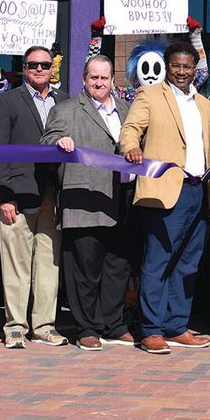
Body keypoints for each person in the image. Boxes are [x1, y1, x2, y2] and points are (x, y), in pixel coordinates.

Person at [120, 41, 210, 354]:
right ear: (167, 66)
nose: (181, 71)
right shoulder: (149, 95)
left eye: (186, 66)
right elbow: (130, 130)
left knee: (188, 263)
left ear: (195, 70)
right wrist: (131, 148)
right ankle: (150, 329)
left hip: (197, 191)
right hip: (163, 192)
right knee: (157, 262)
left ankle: (176, 326)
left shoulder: (203, 104)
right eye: (175, 65)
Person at [41, 55, 134, 350]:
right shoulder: (66, 109)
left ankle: (113, 324)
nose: (99, 83)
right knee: (85, 269)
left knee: (117, 266)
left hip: (121, 199)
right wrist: (60, 142)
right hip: (84, 199)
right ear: (84, 79)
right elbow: (47, 140)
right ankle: (87, 328)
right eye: (94, 77)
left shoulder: (126, 109)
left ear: (112, 81)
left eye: (104, 78)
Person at [0, 45, 70, 349]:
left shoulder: (65, 101)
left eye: (45, 65)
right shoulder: (7, 100)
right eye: (33, 64)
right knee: (16, 265)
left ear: (52, 69)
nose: (39, 69)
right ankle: (15, 326)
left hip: (54, 196)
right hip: (17, 196)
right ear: (24, 68)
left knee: (49, 265)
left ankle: (44, 325)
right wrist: (4, 195)